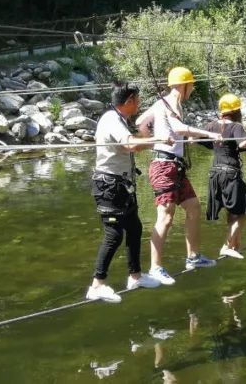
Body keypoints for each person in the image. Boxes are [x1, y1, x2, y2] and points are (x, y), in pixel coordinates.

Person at [137, 67, 225, 286]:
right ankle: (155, 268)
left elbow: (141, 122)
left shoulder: (166, 104)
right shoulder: (166, 104)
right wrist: (208, 133)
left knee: (194, 207)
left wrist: (154, 137)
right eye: (191, 85)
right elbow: (177, 127)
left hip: (175, 166)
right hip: (163, 166)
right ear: (183, 85)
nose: (193, 89)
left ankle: (193, 257)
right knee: (165, 218)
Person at [85, 83, 171, 303]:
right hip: (109, 187)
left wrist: (150, 141)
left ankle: (135, 276)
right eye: (138, 100)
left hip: (122, 186)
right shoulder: (111, 119)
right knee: (114, 234)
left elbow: (131, 146)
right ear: (130, 100)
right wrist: (158, 139)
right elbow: (130, 144)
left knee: (135, 227)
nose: (139, 104)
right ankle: (97, 285)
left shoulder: (119, 120)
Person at [198, 93, 246, 259]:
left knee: (232, 212)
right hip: (230, 174)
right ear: (237, 111)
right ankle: (226, 245)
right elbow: (243, 143)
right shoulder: (236, 126)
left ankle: (234, 244)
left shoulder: (211, 126)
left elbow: (198, 140)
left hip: (215, 174)